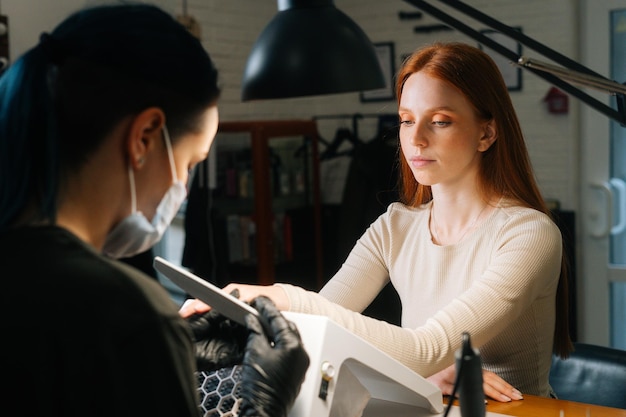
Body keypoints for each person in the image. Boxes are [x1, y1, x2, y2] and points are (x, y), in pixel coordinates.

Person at [181, 41, 573, 401]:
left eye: (439, 121)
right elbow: (327, 323)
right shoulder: (395, 227)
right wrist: (418, 380)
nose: (416, 138)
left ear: (486, 133)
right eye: (406, 120)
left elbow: (428, 349)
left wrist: (281, 296)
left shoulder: (529, 235)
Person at [0, 4, 307, 417]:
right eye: (190, 163)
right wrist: (262, 408)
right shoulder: (124, 313)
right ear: (144, 137)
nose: (183, 185)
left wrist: (164, 350)